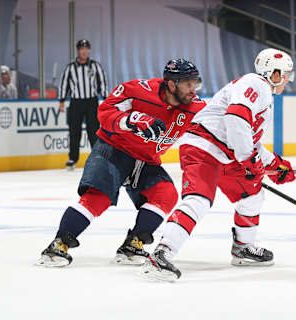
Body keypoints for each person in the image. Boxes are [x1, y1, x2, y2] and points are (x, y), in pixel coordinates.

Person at [140, 48, 296, 281]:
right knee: (198, 201)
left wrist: (275, 164)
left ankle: (244, 247)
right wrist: (248, 159)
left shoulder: (262, 94)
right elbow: (236, 118)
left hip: (226, 153)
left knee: (252, 195)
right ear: (273, 73)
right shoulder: (257, 84)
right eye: (285, 74)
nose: (287, 79)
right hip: (204, 147)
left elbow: (247, 138)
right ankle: (161, 254)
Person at [36, 59, 206, 267]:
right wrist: (131, 120)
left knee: (166, 194)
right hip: (114, 148)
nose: (193, 89)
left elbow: (215, 132)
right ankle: (58, 245)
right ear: (171, 84)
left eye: (195, 83)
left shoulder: (197, 108)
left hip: (145, 160)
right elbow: (105, 112)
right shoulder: (138, 90)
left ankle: (133, 245)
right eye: (188, 83)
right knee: (98, 197)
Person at [58, 39, 109, 170]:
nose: (84, 51)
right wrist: (62, 101)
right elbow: (64, 84)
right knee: (74, 131)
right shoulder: (70, 67)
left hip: (91, 101)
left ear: (89, 50)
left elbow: (101, 82)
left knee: (94, 131)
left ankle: (97, 157)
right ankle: (73, 158)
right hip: (76, 102)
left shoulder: (95, 66)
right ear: (78, 51)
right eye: (82, 49)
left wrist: (106, 99)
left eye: (86, 48)